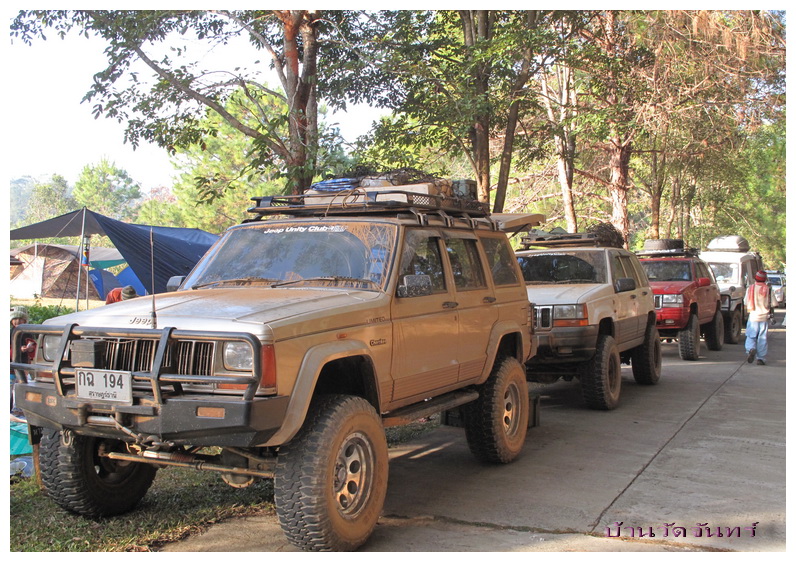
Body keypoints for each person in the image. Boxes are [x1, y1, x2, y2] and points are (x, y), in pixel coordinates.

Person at [745, 270, 774, 366]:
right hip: (764, 318)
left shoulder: (750, 288)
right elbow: (774, 303)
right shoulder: (768, 289)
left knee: (751, 336)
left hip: (753, 317)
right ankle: (761, 358)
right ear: (765, 279)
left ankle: (751, 349)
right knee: (762, 338)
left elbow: (745, 302)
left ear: (755, 278)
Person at [10, 306, 35, 415]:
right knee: (10, 386)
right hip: (11, 366)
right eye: (15, 319)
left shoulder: (27, 333)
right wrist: (18, 349)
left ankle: (19, 408)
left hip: (23, 364)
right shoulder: (10, 333)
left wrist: (30, 348)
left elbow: (33, 345)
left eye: (21, 319)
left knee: (21, 386)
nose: (18, 322)